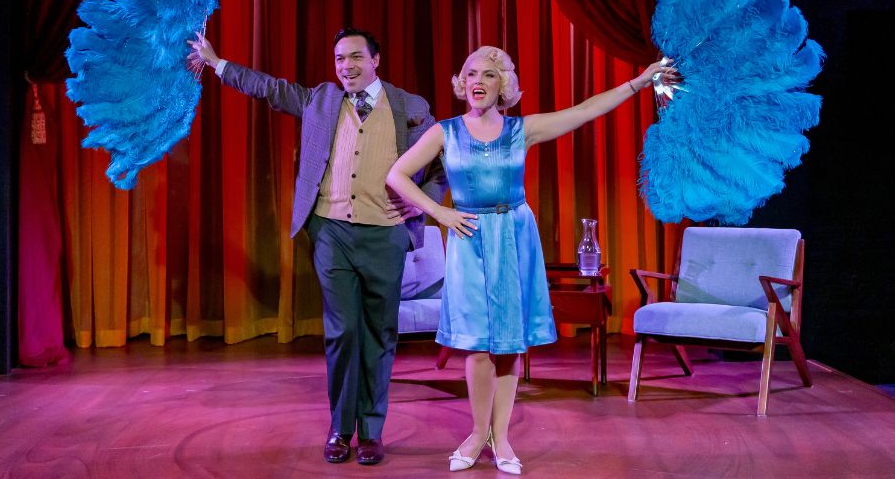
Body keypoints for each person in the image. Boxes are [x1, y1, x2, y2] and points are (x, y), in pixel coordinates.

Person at [386, 46, 678, 475]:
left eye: (488, 74)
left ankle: (500, 438)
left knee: (508, 344)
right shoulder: (444, 132)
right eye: (470, 73)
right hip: (469, 239)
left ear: (502, 84)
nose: (478, 81)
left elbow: (585, 110)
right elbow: (396, 175)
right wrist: (442, 213)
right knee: (477, 346)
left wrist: (637, 83)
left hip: (515, 237)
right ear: (462, 83)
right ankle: (475, 432)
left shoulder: (521, 130)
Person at [188, 28, 447, 466]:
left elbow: (441, 167)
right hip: (332, 233)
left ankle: (371, 431)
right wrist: (217, 64)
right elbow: (268, 89)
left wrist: (420, 209)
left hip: (385, 235)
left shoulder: (410, 107)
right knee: (343, 331)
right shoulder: (321, 101)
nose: (347, 66)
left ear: (376, 60)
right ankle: (340, 429)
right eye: (340, 59)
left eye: (355, 58)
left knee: (379, 334)